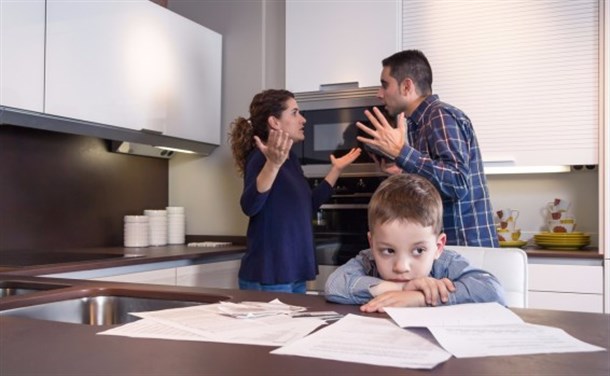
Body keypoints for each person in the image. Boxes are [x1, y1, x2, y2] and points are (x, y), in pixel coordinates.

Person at [356, 49, 498, 247]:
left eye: (384, 85)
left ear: (407, 86)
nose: (379, 94)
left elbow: (457, 183)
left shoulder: (440, 115)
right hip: (446, 248)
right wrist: (402, 172)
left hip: (466, 248)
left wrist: (401, 152)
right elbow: (436, 185)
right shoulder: (416, 124)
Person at [229, 89, 361, 293]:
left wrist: (336, 169)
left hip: (293, 272)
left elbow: (308, 206)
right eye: (294, 113)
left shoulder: (290, 160)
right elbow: (250, 205)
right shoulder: (261, 157)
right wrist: (272, 165)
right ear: (275, 122)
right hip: (271, 275)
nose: (303, 119)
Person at [324, 173, 505, 312]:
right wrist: (401, 287)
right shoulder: (367, 260)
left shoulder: (446, 263)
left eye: (418, 250)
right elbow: (334, 286)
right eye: (388, 251)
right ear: (372, 244)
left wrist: (419, 298)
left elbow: (493, 291)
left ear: (438, 247)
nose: (401, 267)